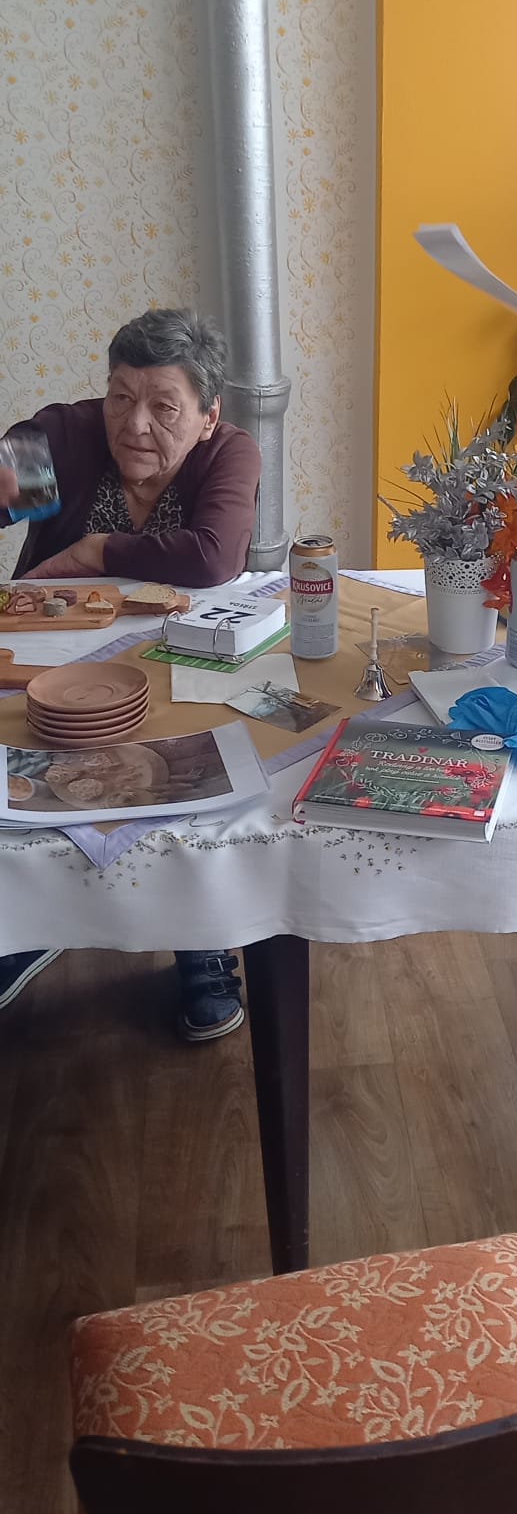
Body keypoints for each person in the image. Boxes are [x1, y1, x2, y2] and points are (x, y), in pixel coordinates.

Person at [0, 307, 260, 1041]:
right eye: (121, 396)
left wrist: (95, 550)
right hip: (51, 650)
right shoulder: (67, 438)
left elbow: (212, 557)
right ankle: (27, 924)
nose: (134, 424)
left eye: (163, 406)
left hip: (180, 657)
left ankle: (201, 944)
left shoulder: (227, 453)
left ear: (207, 416)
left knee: (188, 772)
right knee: (29, 779)